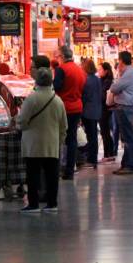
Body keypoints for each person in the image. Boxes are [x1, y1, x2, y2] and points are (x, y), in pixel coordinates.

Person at [18, 67, 67, 213]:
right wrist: (59, 141)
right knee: (52, 176)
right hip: (51, 144)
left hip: (33, 144)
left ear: (36, 81)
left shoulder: (31, 98)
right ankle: (52, 204)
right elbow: (64, 125)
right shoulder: (58, 100)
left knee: (32, 175)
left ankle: (33, 204)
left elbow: (22, 121)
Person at [53, 45, 86, 180]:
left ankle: (57, 168)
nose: (57, 59)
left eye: (57, 56)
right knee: (71, 139)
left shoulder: (62, 69)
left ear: (62, 56)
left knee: (58, 138)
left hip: (63, 107)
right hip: (77, 107)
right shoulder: (79, 70)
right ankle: (70, 170)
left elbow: (56, 87)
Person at [110, 51, 133, 175]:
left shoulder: (129, 73)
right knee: (127, 137)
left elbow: (114, 88)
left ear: (121, 60)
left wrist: (118, 77)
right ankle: (126, 164)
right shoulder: (129, 72)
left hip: (125, 107)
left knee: (128, 137)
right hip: (125, 107)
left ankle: (130, 165)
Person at [81, 59, 102, 169]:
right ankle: (93, 158)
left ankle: (91, 159)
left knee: (91, 135)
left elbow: (85, 96)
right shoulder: (97, 79)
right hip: (96, 110)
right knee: (93, 135)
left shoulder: (87, 80)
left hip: (88, 111)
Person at [98, 62, 116, 163]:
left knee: (105, 131)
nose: (98, 71)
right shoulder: (102, 81)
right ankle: (110, 153)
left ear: (106, 71)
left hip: (105, 109)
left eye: (100, 70)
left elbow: (102, 95)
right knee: (105, 131)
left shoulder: (107, 82)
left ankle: (108, 154)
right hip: (104, 108)